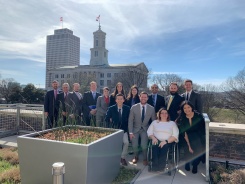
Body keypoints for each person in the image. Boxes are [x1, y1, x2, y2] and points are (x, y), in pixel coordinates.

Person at [177, 101, 205, 174]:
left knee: (198, 151)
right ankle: (187, 162)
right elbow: (184, 133)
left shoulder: (198, 116)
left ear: (192, 107)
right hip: (186, 136)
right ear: (182, 109)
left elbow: (202, 129)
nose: (187, 109)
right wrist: (189, 146)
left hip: (197, 136)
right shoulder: (182, 118)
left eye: (188, 107)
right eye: (184, 108)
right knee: (187, 150)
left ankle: (195, 165)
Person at [128, 91, 156, 166]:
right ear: (139, 97)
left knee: (144, 145)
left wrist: (152, 132)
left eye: (145, 97)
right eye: (142, 97)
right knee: (135, 145)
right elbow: (130, 120)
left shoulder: (151, 108)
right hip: (135, 128)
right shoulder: (134, 107)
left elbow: (153, 121)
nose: (143, 98)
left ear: (147, 98)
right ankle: (136, 156)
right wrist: (130, 132)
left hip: (145, 129)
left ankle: (145, 158)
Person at [105, 94, 130, 166]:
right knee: (115, 145)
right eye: (118, 99)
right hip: (114, 131)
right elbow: (106, 119)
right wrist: (110, 128)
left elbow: (130, 119)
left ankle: (122, 158)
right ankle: (113, 158)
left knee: (126, 142)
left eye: (121, 99)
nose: (119, 100)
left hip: (124, 130)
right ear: (116, 100)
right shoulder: (111, 108)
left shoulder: (127, 108)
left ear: (123, 100)